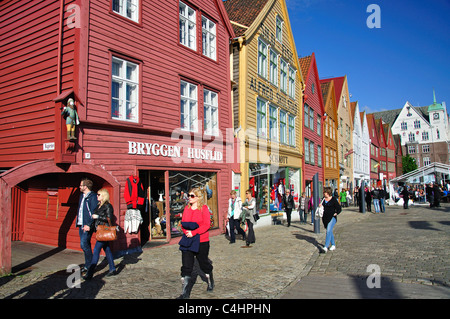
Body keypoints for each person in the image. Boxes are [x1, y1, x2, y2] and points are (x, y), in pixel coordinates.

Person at [178, 188, 214, 298]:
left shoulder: (204, 209)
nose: (189, 197)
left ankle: (210, 278)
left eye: (192, 196)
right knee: (186, 266)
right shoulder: (186, 209)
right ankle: (185, 294)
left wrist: (194, 232)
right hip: (188, 240)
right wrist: (187, 232)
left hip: (201, 240)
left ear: (198, 197)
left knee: (203, 264)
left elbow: (207, 225)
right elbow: (183, 224)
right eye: (189, 195)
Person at [83, 188, 117, 280]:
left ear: (103, 196)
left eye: (99, 195)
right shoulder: (98, 205)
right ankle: (113, 269)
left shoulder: (108, 206)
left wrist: (98, 216)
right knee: (107, 250)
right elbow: (95, 220)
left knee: (96, 250)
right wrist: (90, 226)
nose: (97, 196)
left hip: (104, 231)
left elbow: (109, 219)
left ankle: (89, 273)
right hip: (99, 230)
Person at [77, 178, 98, 272]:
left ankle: (91, 265)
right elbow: (80, 209)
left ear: (85, 186)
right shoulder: (82, 196)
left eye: (81, 185)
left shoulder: (92, 197)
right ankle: (88, 265)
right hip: (81, 223)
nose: (80, 187)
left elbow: (94, 212)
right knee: (86, 244)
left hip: (87, 224)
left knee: (84, 244)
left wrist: (89, 224)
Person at [319, 187, 342, 253]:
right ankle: (333, 245)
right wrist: (320, 206)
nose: (324, 193)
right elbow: (322, 208)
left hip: (332, 218)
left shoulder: (333, 199)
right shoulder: (323, 199)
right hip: (325, 218)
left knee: (328, 230)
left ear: (328, 193)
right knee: (329, 231)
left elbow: (339, 208)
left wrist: (336, 213)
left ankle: (325, 247)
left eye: (325, 192)